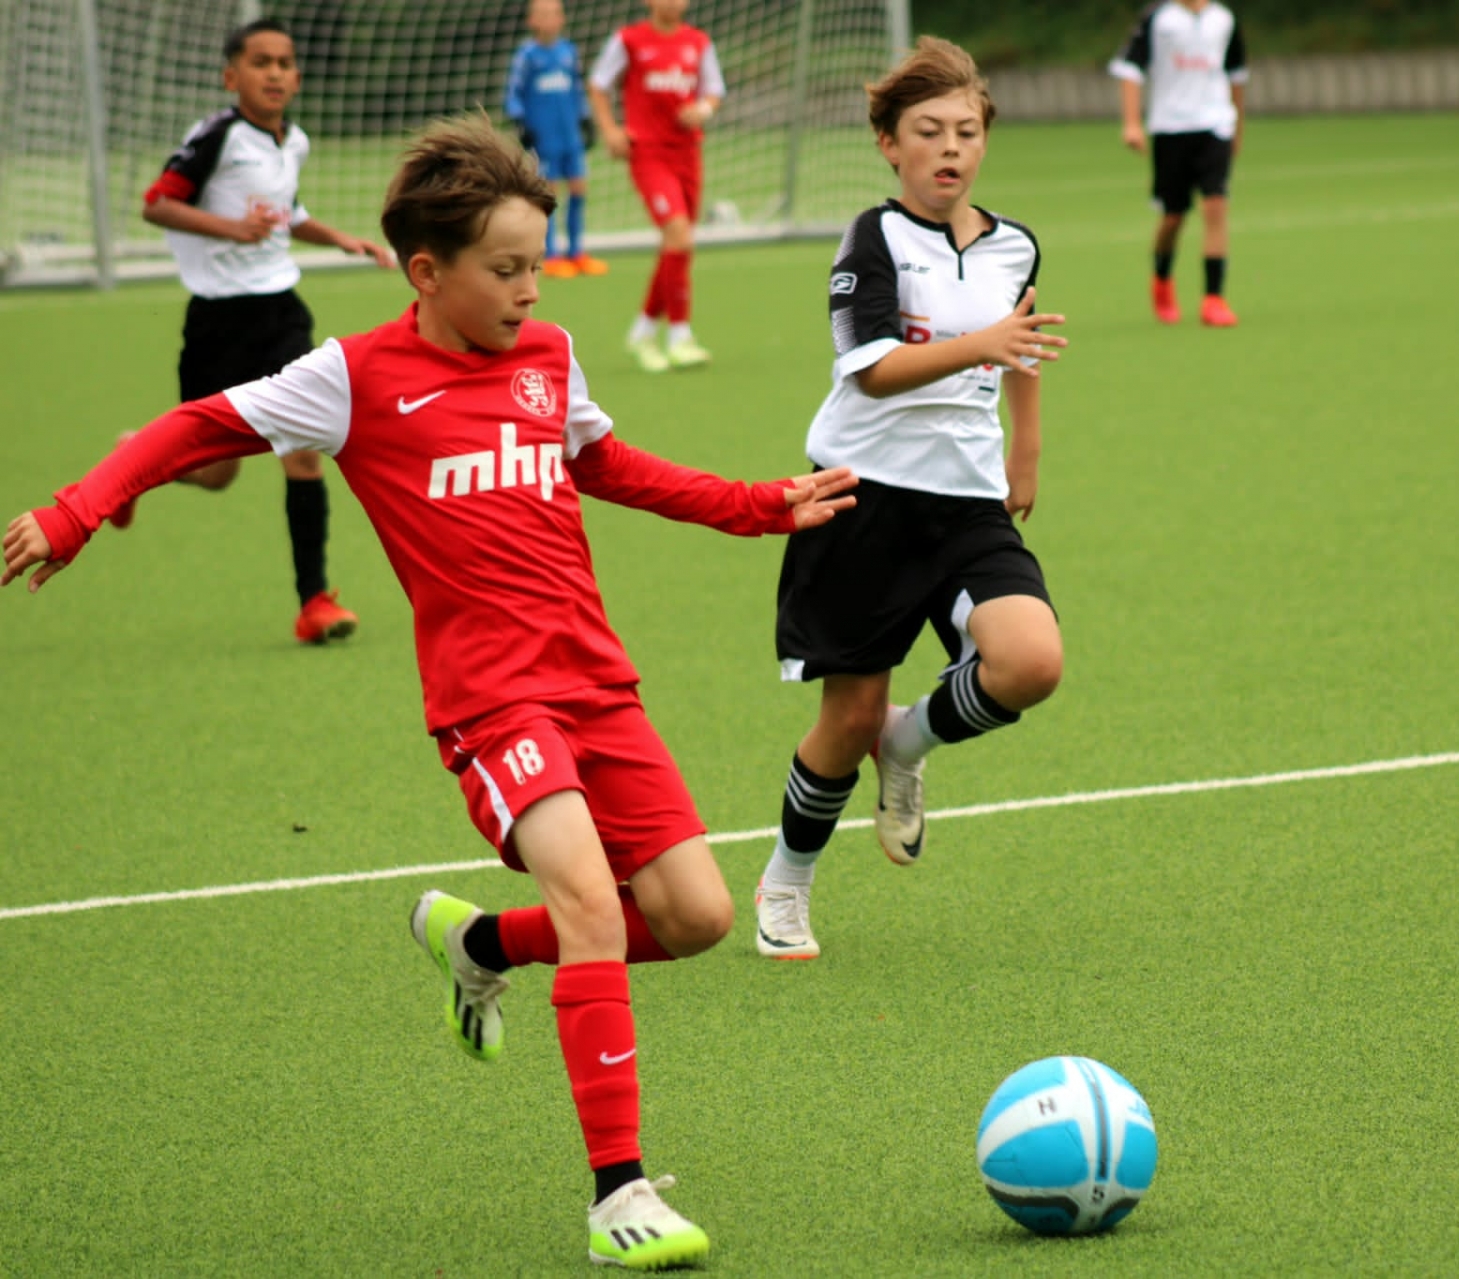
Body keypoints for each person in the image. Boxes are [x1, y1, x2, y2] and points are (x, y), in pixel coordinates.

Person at [3, 115, 856, 1271]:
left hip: (596, 683)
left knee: (695, 916)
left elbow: (603, 463)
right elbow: (198, 425)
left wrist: (758, 504)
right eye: (504, 270)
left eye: (534, 267)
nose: (528, 290)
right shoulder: (352, 379)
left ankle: (483, 942)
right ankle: (617, 1194)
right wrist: (77, 508)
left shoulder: (548, 354)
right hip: (491, 702)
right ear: (426, 272)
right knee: (592, 905)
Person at [752, 37, 1068, 962]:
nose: (950, 147)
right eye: (928, 130)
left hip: (966, 502)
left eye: (966, 130)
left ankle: (909, 743)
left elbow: (1023, 342)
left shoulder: (1015, 243)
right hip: (863, 496)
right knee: (846, 717)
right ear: (890, 145)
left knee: (1030, 662)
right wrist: (983, 345)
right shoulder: (874, 237)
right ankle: (786, 882)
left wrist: (1027, 450)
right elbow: (875, 368)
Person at [136, 17, 396, 643]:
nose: (275, 73)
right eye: (261, 62)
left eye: (284, 63)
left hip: (281, 313)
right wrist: (232, 230)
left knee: (303, 450)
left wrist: (341, 239)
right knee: (216, 474)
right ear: (232, 76)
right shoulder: (217, 136)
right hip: (218, 323)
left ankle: (315, 602)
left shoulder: (293, 141)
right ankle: (133, 455)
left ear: (297, 77)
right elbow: (157, 203)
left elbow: (288, 213)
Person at [587, 0, 725, 373]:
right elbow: (598, 85)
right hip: (648, 153)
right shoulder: (628, 40)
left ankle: (643, 331)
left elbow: (714, 90)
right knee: (679, 236)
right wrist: (611, 130)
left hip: (688, 153)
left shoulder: (698, 42)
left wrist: (702, 110)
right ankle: (680, 337)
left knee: (677, 244)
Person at [1109, 0, 1248, 328]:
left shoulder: (1223, 18)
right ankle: (1162, 278)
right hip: (1170, 128)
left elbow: (1236, 76)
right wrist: (1132, 123)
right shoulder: (1158, 18)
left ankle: (1213, 298)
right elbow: (1130, 69)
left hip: (1216, 125)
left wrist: (1237, 128)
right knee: (1173, 217)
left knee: (1215, 205)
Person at [505, 0, 607, 279]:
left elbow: (577, 88)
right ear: (532, 21)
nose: (550, 19)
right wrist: (519, 121)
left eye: (554, 14)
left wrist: (585, 118)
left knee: (578, 188)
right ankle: (550, 255)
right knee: (549, 194)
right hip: (544, 137)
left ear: (562, 19)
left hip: (569, 136)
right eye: (543, 15)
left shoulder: (568, 52)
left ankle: (576, 252)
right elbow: (513, 93)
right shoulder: (527, 56)